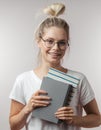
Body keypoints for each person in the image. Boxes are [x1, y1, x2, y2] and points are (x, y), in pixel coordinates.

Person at [9, 3, 101, 130]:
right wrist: (27, 108)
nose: (56, 48)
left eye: (62, 43)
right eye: (49, 41)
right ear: (38, 41)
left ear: (67, 44)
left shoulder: (79, 79)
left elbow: (97, 119)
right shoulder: (23, 80)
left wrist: (75, 119)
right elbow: (13, 126)